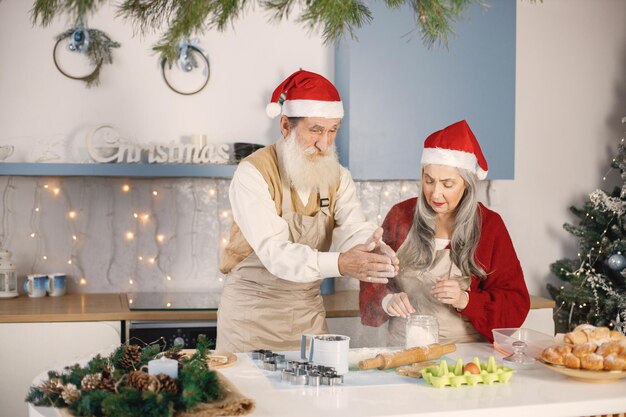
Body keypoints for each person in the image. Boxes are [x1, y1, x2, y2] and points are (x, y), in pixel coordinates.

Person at [217, 70, 399, 353]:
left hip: (307, 313)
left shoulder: (338, 177)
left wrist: (372, 250)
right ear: (286, 125)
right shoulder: (253, 174)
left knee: (315, 396)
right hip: (251, 317)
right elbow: (275, 254)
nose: (325, 144)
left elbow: (353, 226)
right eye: (315, 130)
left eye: (333, 130)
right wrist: (341, 264)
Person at [359, 120, 530, 346]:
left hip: (467, 356)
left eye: (447, 184)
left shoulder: (489, 226)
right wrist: (387, 300)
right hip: (403, 349)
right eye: (429, 181)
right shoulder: (401, 215)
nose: (435, 194)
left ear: (466, 185)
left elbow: (515, 303)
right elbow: (373, 279)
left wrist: (466, 300)